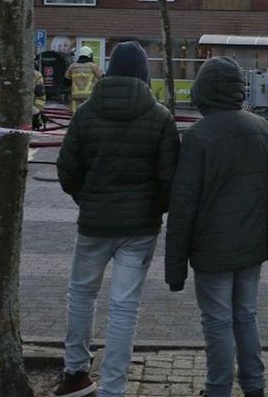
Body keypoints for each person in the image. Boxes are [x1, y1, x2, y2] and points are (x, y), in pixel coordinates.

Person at [52, 40, 180, 397]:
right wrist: (154, 208)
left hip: (93, 223)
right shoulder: (160, 117)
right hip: (139, 228)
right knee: (125, 306)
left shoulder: (86, 113)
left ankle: (75, 372)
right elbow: (170, 178)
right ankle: (114, 388)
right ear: (143, 73)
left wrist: (86, 199)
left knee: (81, 294)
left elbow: (67, 170)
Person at [165, 57, 268, 397]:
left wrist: (175, 269)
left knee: (217, 320)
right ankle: (254, 386)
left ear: (203, 90)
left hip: (211, 251)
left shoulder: (198, 137)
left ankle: (218, 388)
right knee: (245, 315)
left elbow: (183, 205)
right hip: (251, 247)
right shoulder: (262, 129)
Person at [66, 45, 103, 114]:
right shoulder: (93, 66)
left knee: (75, 116)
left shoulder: (72, 66)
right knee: (88, 115)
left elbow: (66, 81)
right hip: (89, 96)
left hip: (75, 96)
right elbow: (102, 79)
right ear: (89, 55)